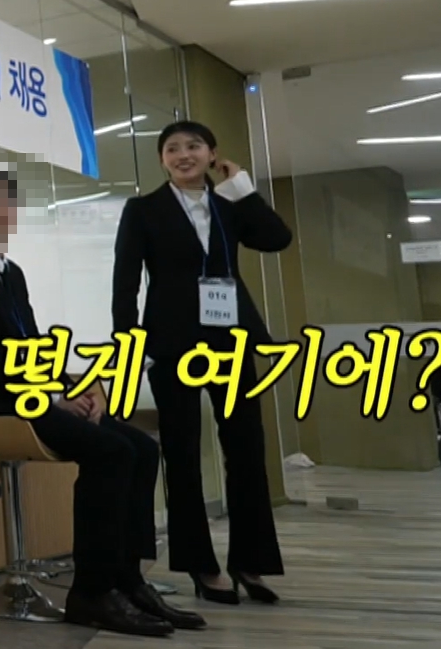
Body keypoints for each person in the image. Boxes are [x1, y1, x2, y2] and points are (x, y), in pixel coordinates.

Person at [0, 171, 205, 638]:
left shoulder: (10, 274)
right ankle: (91, 593)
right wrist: (51, 396)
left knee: (141, 447)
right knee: (110, 452)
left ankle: (128, 581)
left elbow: (32, 346)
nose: (0, 212)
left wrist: (71, 389)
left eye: (6, 203)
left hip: (27, 396)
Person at [112, 121, 293, 605]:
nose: (183, 155)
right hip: (172, 343)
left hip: (231, 338)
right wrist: (129, 346)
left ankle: (250, 562)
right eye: (172, 149)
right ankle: (200, 565)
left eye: (193, 146)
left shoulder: (230, 204)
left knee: (247, 448)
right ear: (162, 160)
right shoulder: (142, 210)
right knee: (182, 451)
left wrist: (242, 188)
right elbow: (124, 283)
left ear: (212, 154)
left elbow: (277, 239)